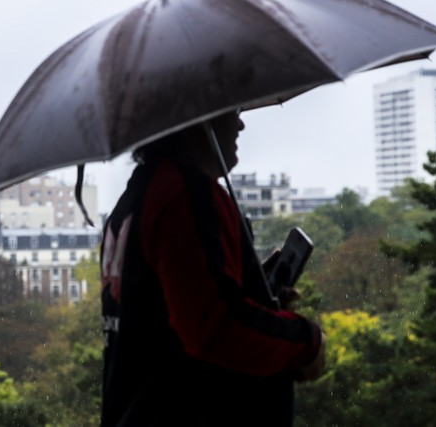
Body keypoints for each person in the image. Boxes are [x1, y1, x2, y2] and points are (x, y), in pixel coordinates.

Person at [100, 111, 326, 426]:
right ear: (199, 119)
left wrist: (251, 290)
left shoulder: (134, 199)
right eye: (232, 112)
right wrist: (305, 340)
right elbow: (214, 327)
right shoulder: (186, 195)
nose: (240, 124)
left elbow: (167, 315)